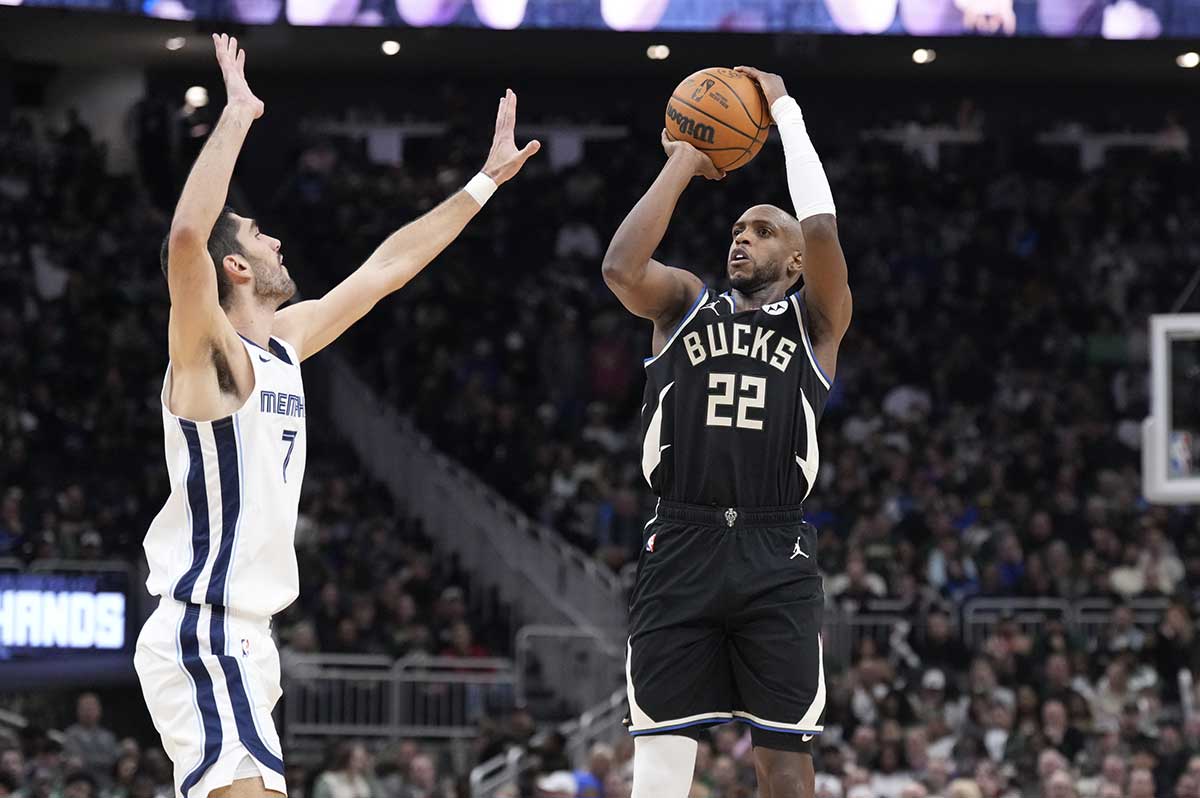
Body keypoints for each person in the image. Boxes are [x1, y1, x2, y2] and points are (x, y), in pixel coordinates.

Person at [132, 33, 539, 798]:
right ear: (236, 267)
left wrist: (484, 181)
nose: (278, 238)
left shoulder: (285, 343)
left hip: (250, 639)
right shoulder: (206, 354)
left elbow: (386, 268)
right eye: (259, 234)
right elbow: (186, 237)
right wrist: (238, 115)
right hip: (206, 630)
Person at [602, 66, 852, 798]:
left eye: (763, 231)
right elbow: (621, 268)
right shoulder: (684, 302)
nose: (742, 239)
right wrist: (682, 158)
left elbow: (825, 224)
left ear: (796, 259)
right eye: (737, 229)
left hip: (776, 549)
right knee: (661, 756)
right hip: (681, 538)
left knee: (783, 763)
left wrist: (783, 110)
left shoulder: (816, 321)